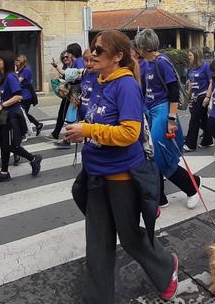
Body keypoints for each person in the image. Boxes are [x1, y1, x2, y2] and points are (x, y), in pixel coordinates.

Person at [64, 30, 179, 303]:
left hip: (121, 176)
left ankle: (166, 268)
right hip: (94, 172)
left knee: (129, 237)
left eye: (99, 50)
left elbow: (129, 133)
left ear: (117, 56)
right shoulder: (96, 79)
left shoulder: (126, 85)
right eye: (93, 48)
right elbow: (91, 116)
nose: (92, 54)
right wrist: (78, 119)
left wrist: (88, 130)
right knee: (97, 244)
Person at [134, 29, 201, 210]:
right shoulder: (145, 64)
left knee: (160, 156)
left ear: (143, 46)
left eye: (137, 46)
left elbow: (172, 91)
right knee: (152, 155)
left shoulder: (161, 62)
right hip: (150, 111)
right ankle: (160, 197)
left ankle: (192, 186)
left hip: (163, 110)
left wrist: (171, 119)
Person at [0, 51, 43, 185]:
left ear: (5, 62)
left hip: (12, 114)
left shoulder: (11, 76)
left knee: (11, 145)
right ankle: (5, 172)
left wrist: (1, 105)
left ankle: (33, 159)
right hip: (4, 114)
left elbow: (18, 96)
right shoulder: (2, 75)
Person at [183, 48, 212, 151]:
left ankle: (190, 144)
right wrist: (188, 96)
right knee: (203, 119)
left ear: (196, 55)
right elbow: (190, 82)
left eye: (190, 55)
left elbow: (211, 82)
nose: (189, 57)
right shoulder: (190, 68)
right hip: (195, 96)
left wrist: (208, 97)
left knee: (194, 120)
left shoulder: (205, 66)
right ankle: (208, 140)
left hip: (203, 95)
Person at [15, 54, 43, 137]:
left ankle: (25, 130)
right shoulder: (20, 70)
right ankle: (37, 124)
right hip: (22, 94)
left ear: (22, 62)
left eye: (18, 61)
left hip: (26, 96)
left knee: (23, 114)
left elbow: (18, 81)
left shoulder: (26, 70)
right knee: (23, 113)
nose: (16, 63)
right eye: (16, 61)